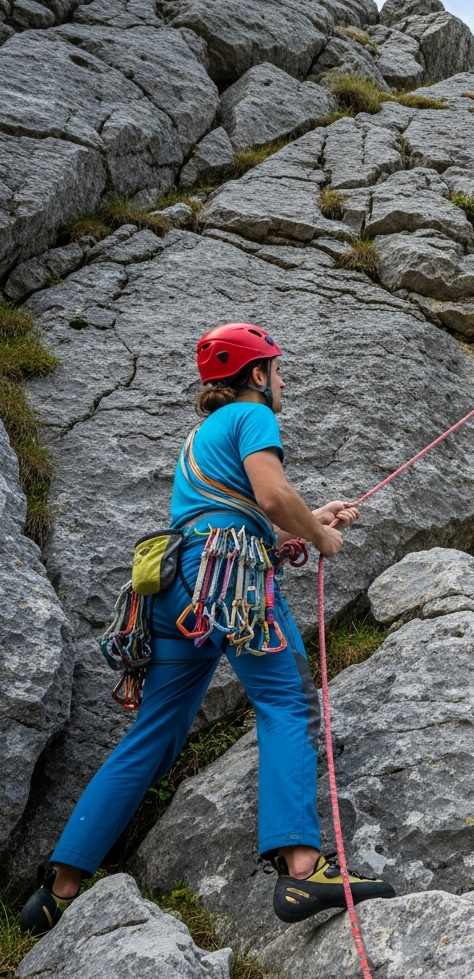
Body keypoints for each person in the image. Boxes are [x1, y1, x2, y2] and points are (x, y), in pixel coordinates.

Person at [20, 322, 395, 935]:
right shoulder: (253, 418)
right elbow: (273, 497)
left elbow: (238, 515)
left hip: (175, 585)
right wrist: (320, 535)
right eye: (278, 371)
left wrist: (306, 520)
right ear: (256, 376)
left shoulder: (200, 437)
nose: (282, 381)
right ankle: (303, 870)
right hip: (227, 576)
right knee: (286, 702)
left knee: (154, 732)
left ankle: (58, 890)